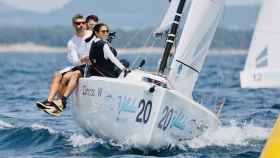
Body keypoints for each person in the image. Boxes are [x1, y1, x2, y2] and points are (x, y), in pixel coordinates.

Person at [36, 14, 97, 116]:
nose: (81, 25)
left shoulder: (92, 35)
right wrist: (82, 60)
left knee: (70, 76)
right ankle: (49, 101)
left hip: (90, 66)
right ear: (74, 25)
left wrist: (89, 58)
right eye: (78, 23)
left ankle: (61, 102)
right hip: (78, 65)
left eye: (83, 23)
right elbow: (75, 61)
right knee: (57, 74)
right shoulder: (71, 42)